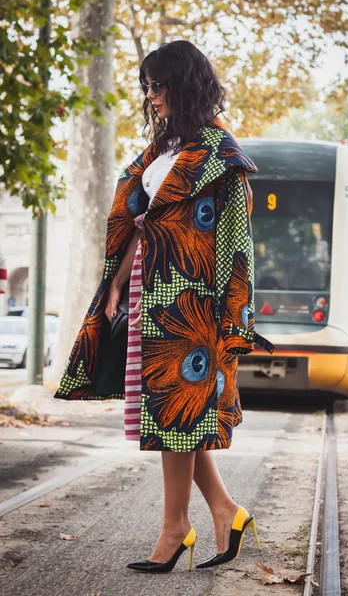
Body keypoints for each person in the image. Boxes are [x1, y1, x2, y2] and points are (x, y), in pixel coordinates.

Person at [54, 41, 274, 573]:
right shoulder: (160, 151)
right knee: (170, 417)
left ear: (185, 83)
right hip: (147, 301)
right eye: (146, 86)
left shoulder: (221, 157)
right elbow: (140, 226)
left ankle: (177, 527)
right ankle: (224, 511)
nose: (151, 96)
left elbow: (235, 245)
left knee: (176, 416)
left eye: (158, 84)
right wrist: (113, 287)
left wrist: (234, 320)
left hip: (191, 306)